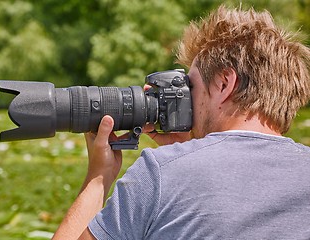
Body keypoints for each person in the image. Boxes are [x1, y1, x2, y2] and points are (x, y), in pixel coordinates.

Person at [52, 5, 310, 240]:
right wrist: (197, 144)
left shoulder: (161, 172)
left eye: (190, 86)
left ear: (224, 83)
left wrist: (99, 177)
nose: (184, 100)